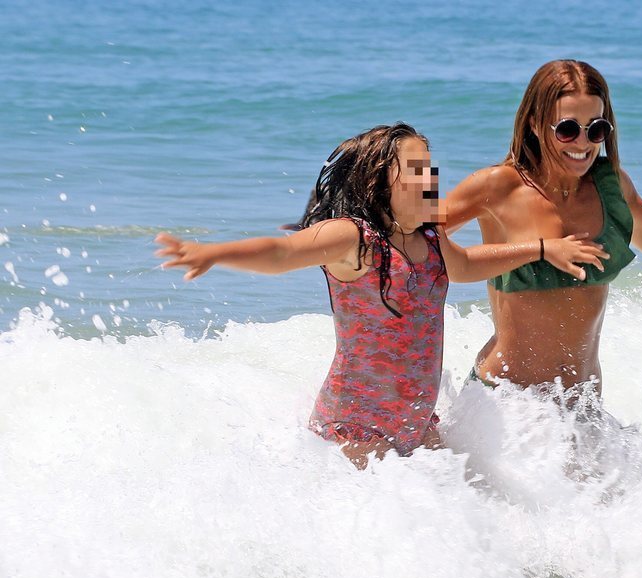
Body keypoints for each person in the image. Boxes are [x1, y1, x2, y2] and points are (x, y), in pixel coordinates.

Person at [155, 123, 608, 468]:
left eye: (431, 167)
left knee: (471, 500)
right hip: (354, 429)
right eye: (415, 169)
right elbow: (281, 252)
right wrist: (214, 253)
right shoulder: (354, 240)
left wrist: (544, 248)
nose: (430, 176)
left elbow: (468, 264)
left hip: (416, 426)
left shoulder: (431, 239)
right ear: (378, 182)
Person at [446, 60, 642, 392]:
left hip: (582, 408)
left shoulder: (611, 185)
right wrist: (539, 250)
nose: (582, 143)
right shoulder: (499, 186)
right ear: (535, 124)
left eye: (596, 129)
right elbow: (416, 231)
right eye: (567, 129)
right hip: (505, 407)